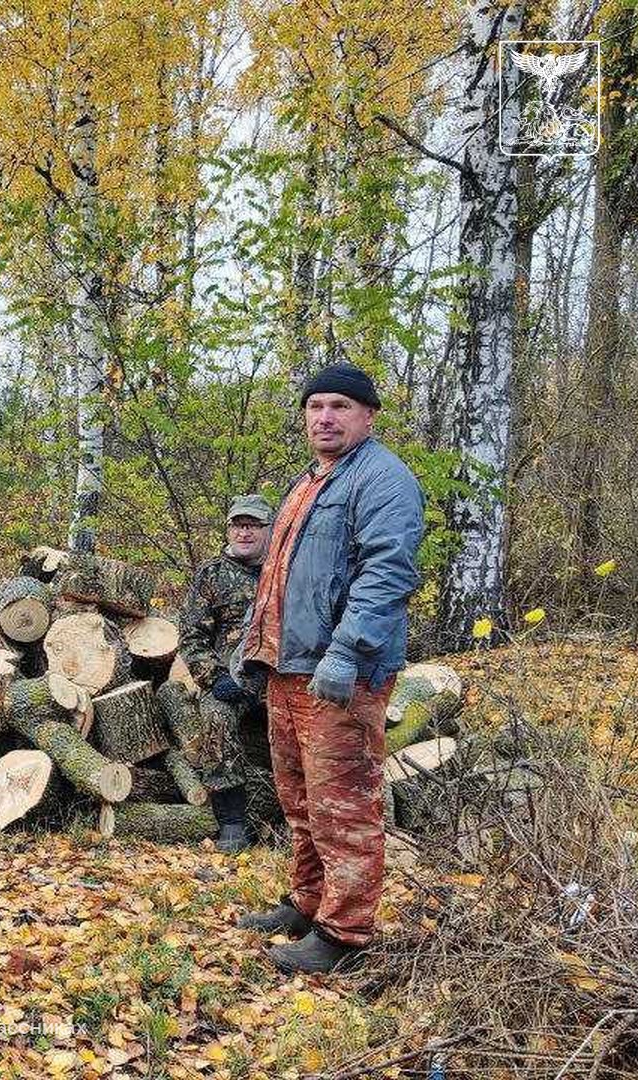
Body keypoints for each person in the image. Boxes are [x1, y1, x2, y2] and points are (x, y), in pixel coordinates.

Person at [233, 362, 425, 975]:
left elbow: (387, 574)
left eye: (340, 406)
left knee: (343, 803)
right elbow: (279, 575)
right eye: (316, 406)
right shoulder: (310, 481)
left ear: (368, 416)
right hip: (289, 670)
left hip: (341, 675)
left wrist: (346, 652)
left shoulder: (383, 480)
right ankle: (309, 901)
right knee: (299, 798)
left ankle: (343, 936)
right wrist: (252, 645)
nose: (326, 417)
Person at [176, 494, 274, 854]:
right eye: (237, 524)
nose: (244, 532)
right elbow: (191, 634)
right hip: (228, 680)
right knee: (215, 717)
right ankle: (232, 822)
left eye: (252, 525)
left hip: (278, 677)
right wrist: (213, 677)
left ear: (269, 529)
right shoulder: (212, 574)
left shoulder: (285, 572)